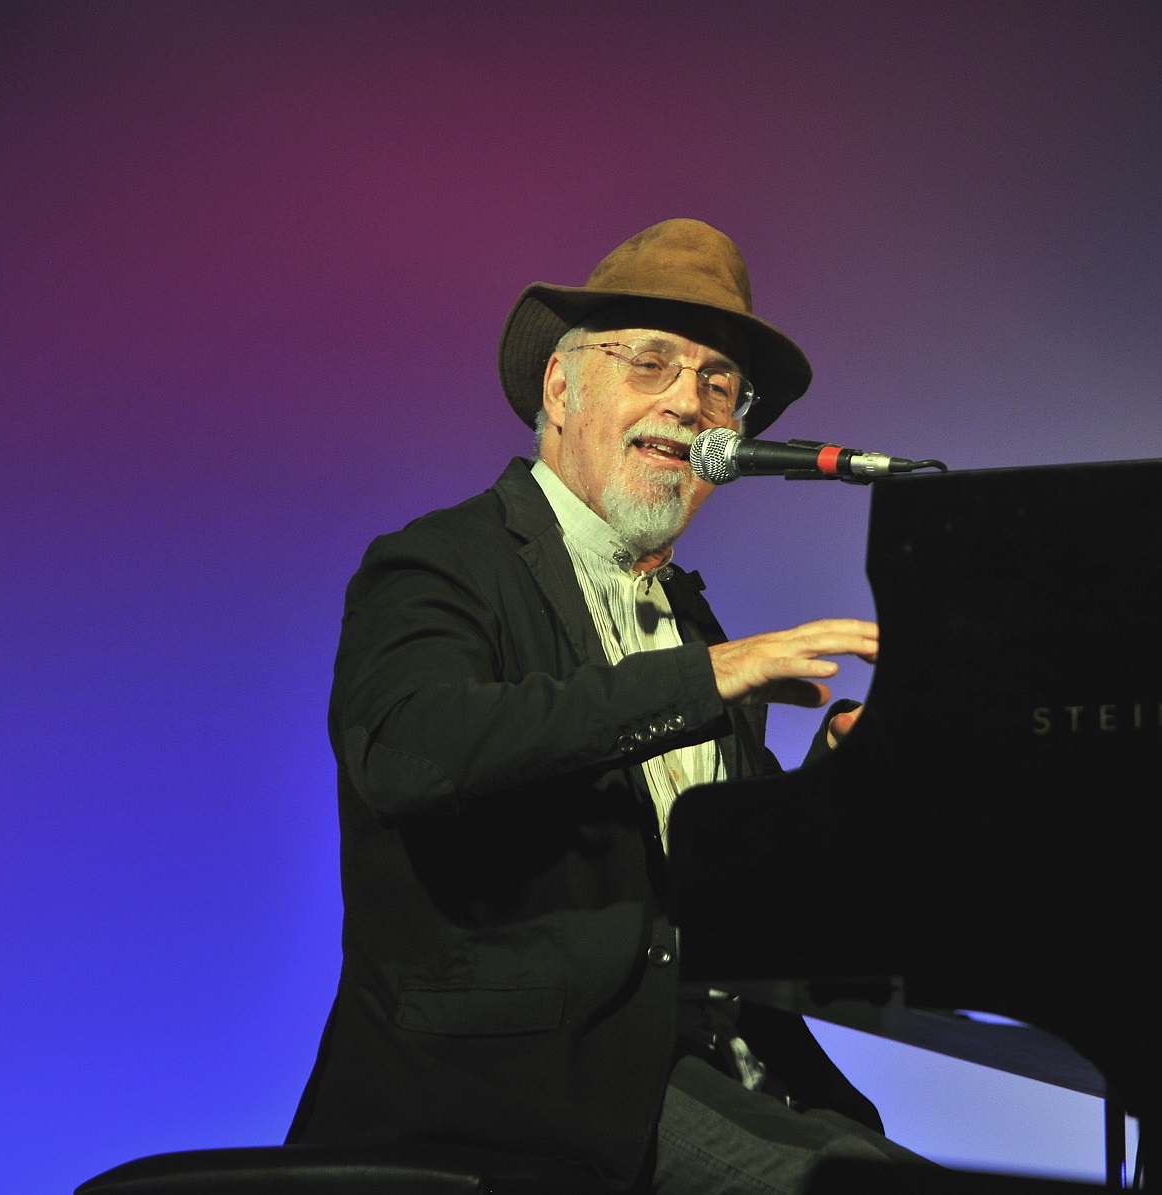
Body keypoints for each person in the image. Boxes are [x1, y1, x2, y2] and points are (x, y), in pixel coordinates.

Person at [287, 219, 914, 1193]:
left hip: (730, 1076)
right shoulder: (438, 564)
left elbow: (738, 906)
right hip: (519, 1092)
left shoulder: (693, 624)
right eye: (651, 362)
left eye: (719, 384)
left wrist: (847, 776)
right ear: (560, 388)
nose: (689, 402)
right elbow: (412, 752)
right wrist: (706, 679)